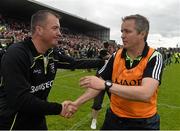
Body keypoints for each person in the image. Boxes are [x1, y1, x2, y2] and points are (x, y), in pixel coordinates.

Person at [0, 10, 105, 130]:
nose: (60, 33)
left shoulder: (51, 54)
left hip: (38, 118)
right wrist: (59, 108)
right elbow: (20, 99)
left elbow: (74, 63)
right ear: (39, 30)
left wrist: (105, 62)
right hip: (13, 122)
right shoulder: (17, 54)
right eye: (55, 28)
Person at [70, 14, 164, 130]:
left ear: (142, 34)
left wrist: (106, 85)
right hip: (114, 118)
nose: (122, 36)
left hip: (143, 122)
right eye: (122, 31)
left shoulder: (154, 56)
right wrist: (77, 103)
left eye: (127, 31)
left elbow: (145, 93)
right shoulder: (116, 55)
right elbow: (98, 83)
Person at [90, 41, 116, 129]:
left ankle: (116, 119)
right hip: (99, 80)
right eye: (108, 46)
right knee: (97, 103)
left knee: (115, 101)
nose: (109, 48)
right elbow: (103, 57)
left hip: (111, 82)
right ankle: (94, 120)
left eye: (111, 47)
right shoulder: (102, 52)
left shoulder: (118, 55)